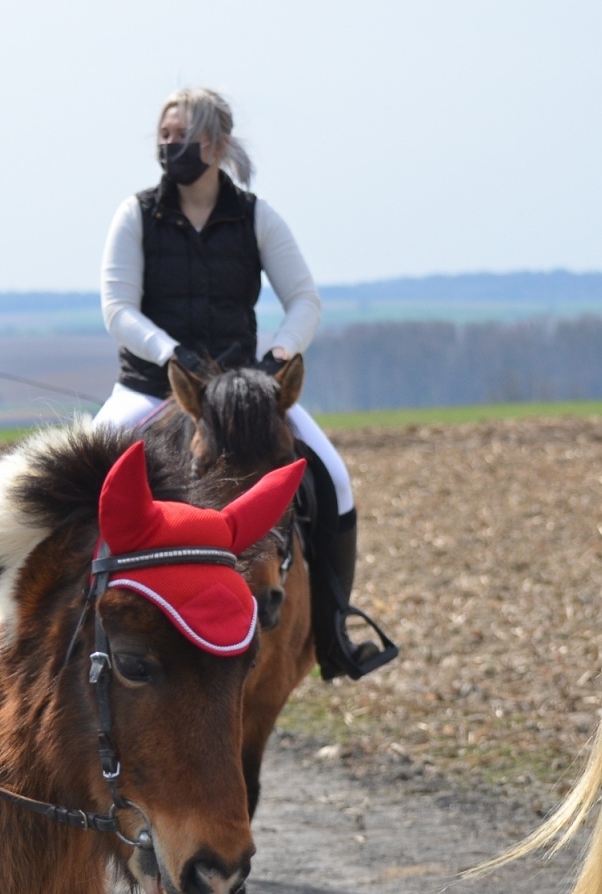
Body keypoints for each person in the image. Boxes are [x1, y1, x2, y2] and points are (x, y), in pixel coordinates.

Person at [93, 87, 388, 681]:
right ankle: (64, 627)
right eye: (165, 134)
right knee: (80, 478)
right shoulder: (136, 214)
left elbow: (303, 298)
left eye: (184, 135)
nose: (170, 145)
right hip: (154, 388)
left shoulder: (255, 216)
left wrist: (280, 354)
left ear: (218, 144)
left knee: (333, 476)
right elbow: (117, 308)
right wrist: (170, 352)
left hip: (243, 395)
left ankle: (332, 632)